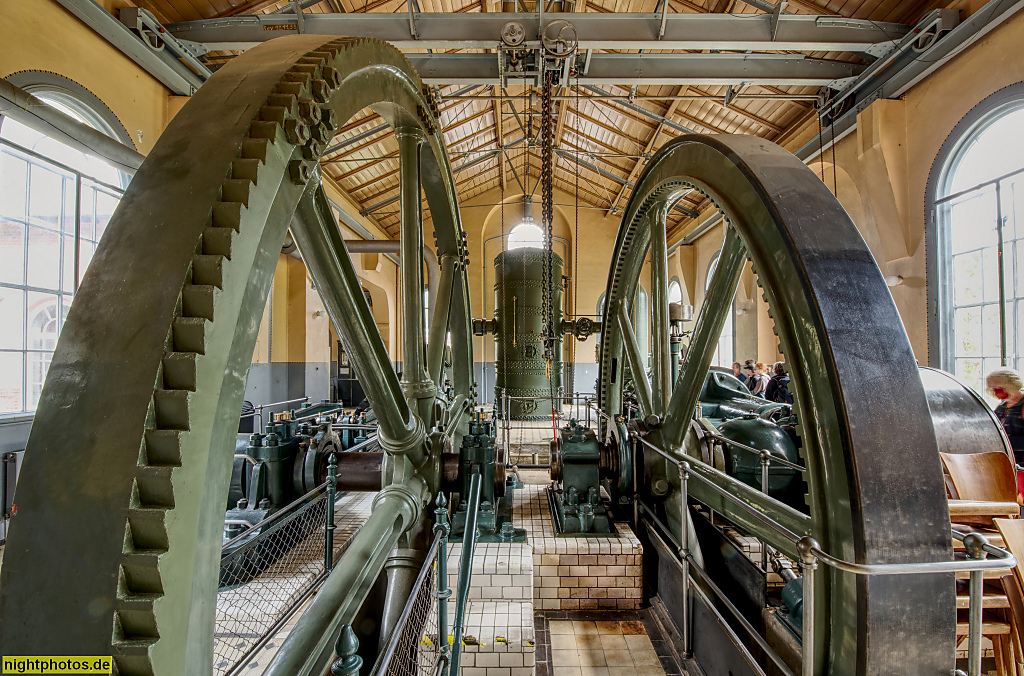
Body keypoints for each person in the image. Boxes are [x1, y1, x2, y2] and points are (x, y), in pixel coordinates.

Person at [988, 368, 1024, 464]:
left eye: (998, 387)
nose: (996, 391)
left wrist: (1005, 442)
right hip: (1008, 463)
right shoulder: (1001, 407)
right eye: (993, 387)